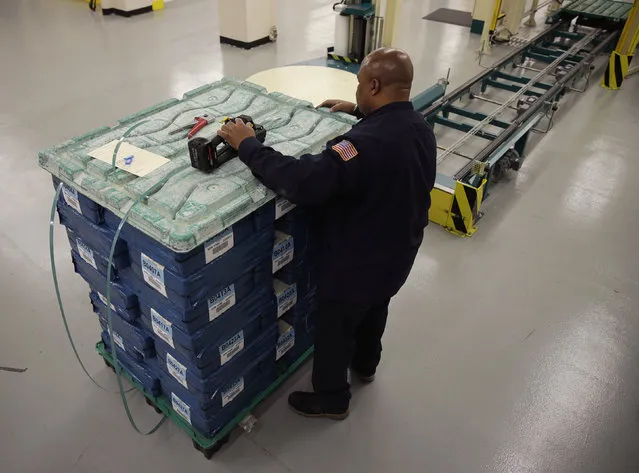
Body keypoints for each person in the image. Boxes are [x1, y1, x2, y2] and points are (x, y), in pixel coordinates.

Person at [217, 48, 437, 420]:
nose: (356, 92)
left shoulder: (359, 147)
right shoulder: (420, 128)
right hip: (400, 253)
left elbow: (303, 182)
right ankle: (366, 364)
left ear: (374, 84)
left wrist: (248, 145)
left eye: (358, 87)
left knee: (336, 327)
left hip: (358, 264)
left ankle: (332, 398)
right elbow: (388, 146)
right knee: (376, 307)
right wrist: (360, 114)